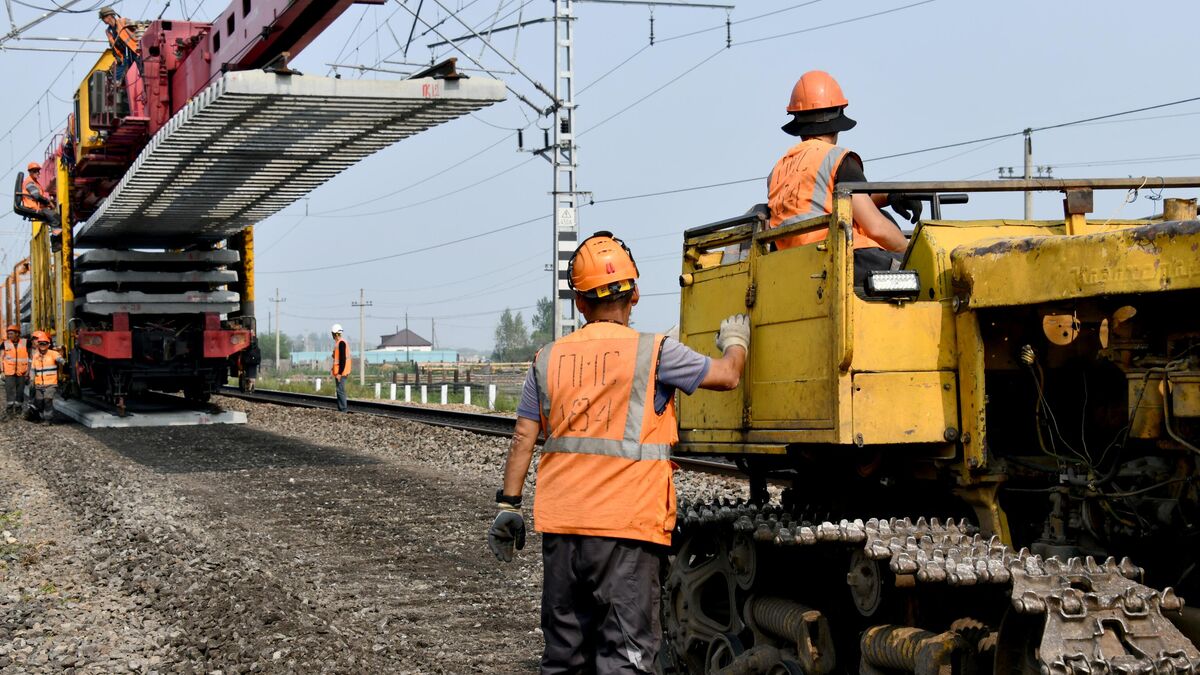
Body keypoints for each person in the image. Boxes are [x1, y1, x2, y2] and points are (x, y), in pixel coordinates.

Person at [486, 231, 751, 674]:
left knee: (564, 655)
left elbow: (522, 437)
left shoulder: (547, 358)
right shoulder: (655, 353)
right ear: (635, 295)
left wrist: (508, 506)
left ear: (579, 303)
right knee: (626, 656)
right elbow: (726, 377)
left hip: (564, 528)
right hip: (626, 529)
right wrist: (736, 342)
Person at [767, 70, 923, 287]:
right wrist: (911, 252)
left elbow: (826, 204)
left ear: (798, 124)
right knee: (919, 273)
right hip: (842, 258)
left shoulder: (780, 169)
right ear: (837, 120)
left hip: (795, 266)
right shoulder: (838, 159)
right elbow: (875, 227)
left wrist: (889, 196)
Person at [21, 163, 61, 248]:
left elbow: (38, 197)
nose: (38, 173)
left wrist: (48, 203)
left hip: (38, 208)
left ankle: (57, 242)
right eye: (35, 171)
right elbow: (36, 196)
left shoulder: (35, 183)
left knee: (56, 219)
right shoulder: (29, 182)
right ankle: (56, 244)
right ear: (30, 172)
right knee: (56, 219)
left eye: (38, 171)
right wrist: (47, 202)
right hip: (33, 208)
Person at [27, 331, 63, 424]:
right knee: (39, 401)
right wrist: (32, 379)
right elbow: (33, 369)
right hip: (39, 384)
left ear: (48, 344)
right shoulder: (35, 356)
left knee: (47, 400)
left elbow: (59, 358)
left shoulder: (53, 353)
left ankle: (48, 419)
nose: (43, 345)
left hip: (51, 384)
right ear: (38, 344)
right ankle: (42, 415)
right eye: (41, 343)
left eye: (44, 343)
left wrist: (62, 360)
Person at [99, 6, 141, 81]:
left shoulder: (123, 21)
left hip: (134, 50)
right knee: (118, 76)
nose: (102, 20)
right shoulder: (108, 31)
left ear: (109, 16)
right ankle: (120, 89)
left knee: (142, 68)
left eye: (103, 18)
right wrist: (117, 56)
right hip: (124, 55)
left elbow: (138, 26)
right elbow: (112, 45)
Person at [2, 325, 29, 416]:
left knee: (20, 391)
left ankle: (18, 409)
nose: (9, 336)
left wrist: (28, 371)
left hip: (22, 371)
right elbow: (1, 358)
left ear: (17, 334)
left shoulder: (25, 343)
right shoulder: (4, 344)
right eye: (8, 334)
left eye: (11, 334)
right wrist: (2, 371)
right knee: (9, 390)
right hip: (9, 372)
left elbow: (31, 357)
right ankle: (9, 410)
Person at [330, 324, 350, 413]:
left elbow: (342, 360)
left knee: (340, 390)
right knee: (339, 390)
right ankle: (340, 409)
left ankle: (343, 410)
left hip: (342, 372)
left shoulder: (341, 343)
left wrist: (339, 373)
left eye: (333, 334)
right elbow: (338, 358)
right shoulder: (339, 343)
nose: (332, 336)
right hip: (340, 371)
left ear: (336, 334)